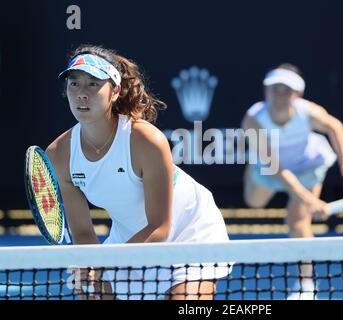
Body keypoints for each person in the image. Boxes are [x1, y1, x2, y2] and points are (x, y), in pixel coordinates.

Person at [46, 44, 230, 300]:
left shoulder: (145, 140)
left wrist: (104, 264)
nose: (81, 94)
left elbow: (160, 227)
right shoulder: (59, 154)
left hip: (190, 231)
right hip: (129, 236)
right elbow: (84, 233)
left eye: (93, 84)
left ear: (115, 91)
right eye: (74, 83)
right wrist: (88, 263)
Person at [241, 64, 343, 299]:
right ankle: (252, 167)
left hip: (308, 166)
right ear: (265, 91)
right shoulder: (253, 120)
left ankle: (306, 285)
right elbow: (277, 169)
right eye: (274, 89)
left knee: (298, 221)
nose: (278, 95)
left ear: (297, 95)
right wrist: (309, 199)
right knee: (254, 202)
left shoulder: (309, 112)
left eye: (285, 90)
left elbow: (335, 127)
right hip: (272, 168)